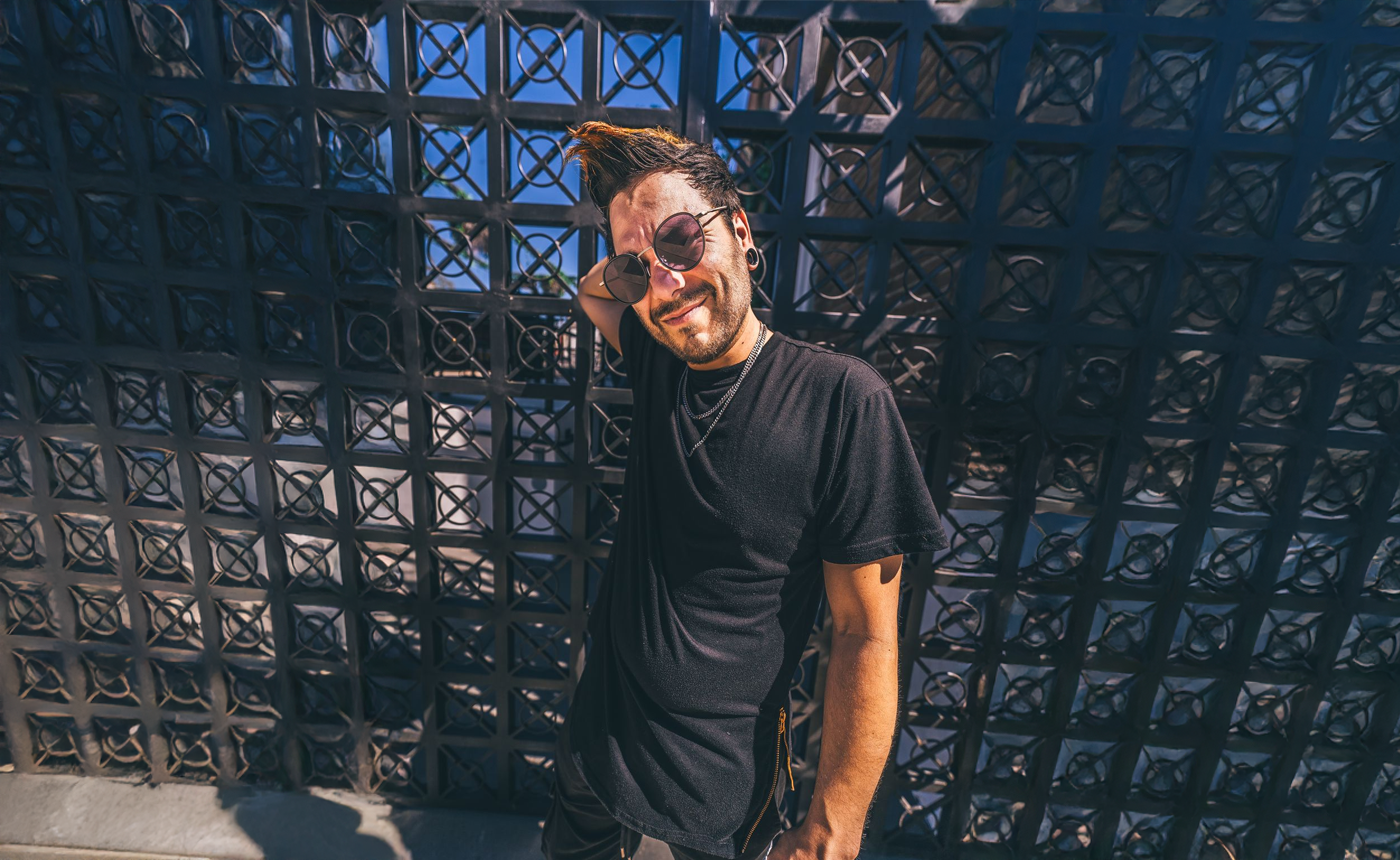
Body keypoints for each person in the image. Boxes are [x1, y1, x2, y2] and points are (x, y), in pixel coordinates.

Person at [539, 122, 948, 860]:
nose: (665, 284)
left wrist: (833, 830)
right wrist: (637, 249)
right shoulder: (656, 355)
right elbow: (591, 292)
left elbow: (865, 633)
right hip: (599, 736)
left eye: (682, 241)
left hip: (720, 786)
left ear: (739, 229)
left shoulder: (841, 402)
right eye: (639, 269)